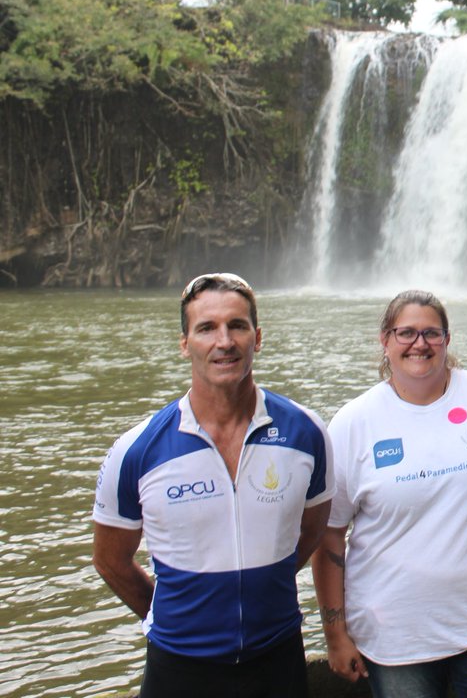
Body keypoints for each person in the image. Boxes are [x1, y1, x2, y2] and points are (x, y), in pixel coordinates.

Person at [92, 272, 334, 698]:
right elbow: (111, 560)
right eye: (207, 328)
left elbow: (312, 529)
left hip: (277, 658)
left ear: (257, 337)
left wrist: (265, 583)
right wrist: (171, 616)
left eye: (237, 326)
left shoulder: (306, 431)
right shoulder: (137, 449)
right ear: (185, 343)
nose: (225, 341)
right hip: (180, 668)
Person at [312, 289, 467, 698]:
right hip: (394, 639)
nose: (420, 343)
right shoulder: (353, 423)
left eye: (431, 333)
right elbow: (329, 535)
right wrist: (336, 634)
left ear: (447, 339)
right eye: (406, 332)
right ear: (385, 340)